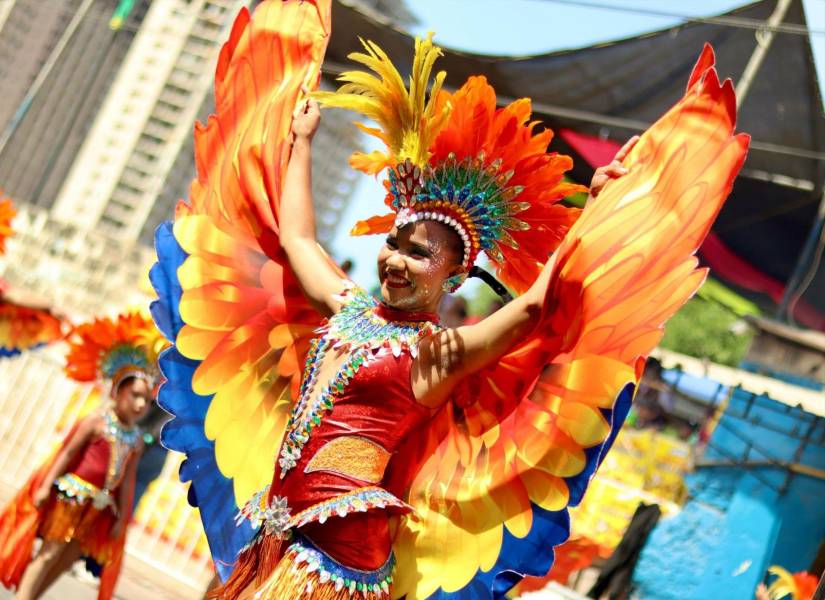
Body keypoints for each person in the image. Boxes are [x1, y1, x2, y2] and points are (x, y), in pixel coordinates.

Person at [150, 1, 749, 598]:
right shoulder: (349, 309)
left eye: (419, 254)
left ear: (455, 276)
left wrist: (595, 211)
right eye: (394, 243)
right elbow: (297, 239)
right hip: (282, 530)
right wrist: (303, 142)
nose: (395, 260)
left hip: (334, 565)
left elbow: (538, 309)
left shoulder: (439, 355)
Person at [0, 311, 161, 600]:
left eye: (146, 401)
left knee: (66, 560)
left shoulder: (136, 440)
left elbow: (127, 482)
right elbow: (68, 453)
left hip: (99, 510)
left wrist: (121, 518)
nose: (140, 404)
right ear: (118, 391)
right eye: (134, 395)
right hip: (71, 498)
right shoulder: (96, 421)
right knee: (50, 553)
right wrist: (46, 485)